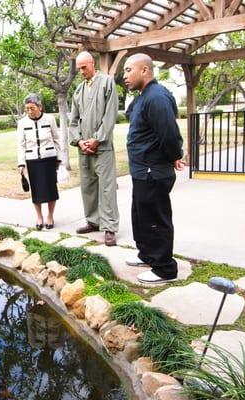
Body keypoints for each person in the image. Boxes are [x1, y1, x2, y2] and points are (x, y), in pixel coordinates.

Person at [122, 53, 184, 284]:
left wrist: (175, 156)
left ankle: (165, 269)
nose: (125, 76)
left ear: (145, 70)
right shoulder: (145, 96)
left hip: (153, 171)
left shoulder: (157, 97)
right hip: (142, 171)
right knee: (141, 217)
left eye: (129, 70)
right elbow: (132, 115)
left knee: (156, 219)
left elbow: (168, 133)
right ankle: (147, 255)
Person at [69, 51, 120, 246]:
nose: (81, 72)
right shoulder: (78, 91)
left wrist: (97, 139)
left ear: (92, 63)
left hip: (103, 147)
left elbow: (110, 115)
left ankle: (109, 227)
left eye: (84, 67)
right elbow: (72, 121)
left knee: (107, 188)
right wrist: (80, 141)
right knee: (88, 186)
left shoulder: (107, 83)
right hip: (84, 149)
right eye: (79, 68)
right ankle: (92, 221)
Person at [17, 93, 61, 230]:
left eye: (32, 108)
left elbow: (56, 139)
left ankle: (50, 216)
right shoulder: (22, 123)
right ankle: (39, 216)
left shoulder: (50, 119)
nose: (30, 111)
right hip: (32, 160)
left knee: (51, 189)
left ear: (40, 107)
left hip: (49, 158)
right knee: (36, 190)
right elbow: (21, 144)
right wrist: (21, 163)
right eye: (27, 109)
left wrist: (59, 158)